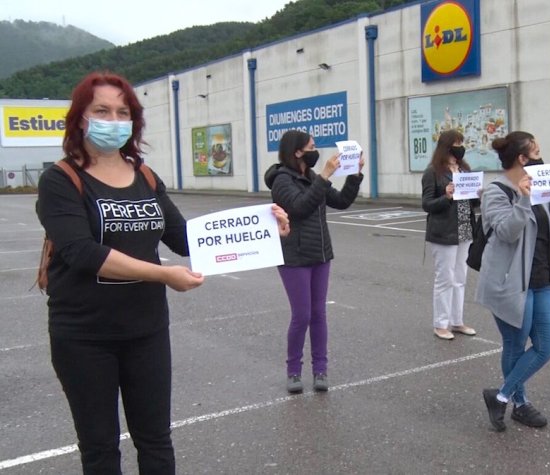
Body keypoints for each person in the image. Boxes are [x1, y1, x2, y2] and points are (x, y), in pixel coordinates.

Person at [36, 71, 289, 474]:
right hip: (84, 336)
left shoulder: (146, 177)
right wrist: (163, 274)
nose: (114, 120)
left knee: (156, 440)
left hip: (146, 331)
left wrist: (261, 226)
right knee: (100, 448)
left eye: (123, 112)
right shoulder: (60, 180)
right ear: (81, 117)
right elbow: (83, 252)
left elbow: (186, 238)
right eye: (102, 110)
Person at [476, 131, 550, 431]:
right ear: (523, 158)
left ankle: (500, 396)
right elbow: (507, 231)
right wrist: (524, 199)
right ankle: (520, 404)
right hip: (510, 284)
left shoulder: (541, 185)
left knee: (548, 345)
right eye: (536, 151)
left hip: (542, 280)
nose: (540, 156)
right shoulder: (496, 191)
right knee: (515, 344)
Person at [264, 130, 364, 394]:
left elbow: (341, 201)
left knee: (319, 314)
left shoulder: (312, 178)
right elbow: (299, 208)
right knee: (302, 315)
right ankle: (293, 371)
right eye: (312, 146)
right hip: (294, 257)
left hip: (320, 254)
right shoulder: (281, 181)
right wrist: (325, 176)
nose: (315, 150)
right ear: (297, 152)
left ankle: (320, 369)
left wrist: (355, 175)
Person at [421, 129, 478, 340]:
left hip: (464, 228)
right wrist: (446, 196)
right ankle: (440, 323)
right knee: (445, 277)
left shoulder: (464, 170)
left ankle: (457, 321)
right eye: (456, 143)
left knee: (460, 277)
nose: (460, 147)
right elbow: (427, 204)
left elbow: (472, 202)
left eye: (462, 143)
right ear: (446, 146)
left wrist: (477, 194)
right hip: (444, 231)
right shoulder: (433, 172)